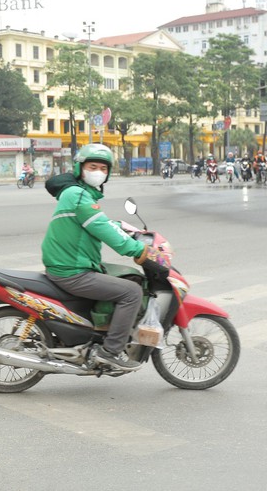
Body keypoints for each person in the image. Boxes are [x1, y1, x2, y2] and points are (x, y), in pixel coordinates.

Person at [41, 144, 169, 370]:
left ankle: (99, 333)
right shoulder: (78, 195)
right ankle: (110, 352)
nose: (98, 171)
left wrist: (123, 226)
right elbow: (103, 229)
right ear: (80, 168)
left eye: (102, 168)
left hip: (71, 264)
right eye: (92, 166)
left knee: (126, 277)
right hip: (72, 270)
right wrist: (141, 251)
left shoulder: (78, 194)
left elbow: (98, 223)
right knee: (132, 291)